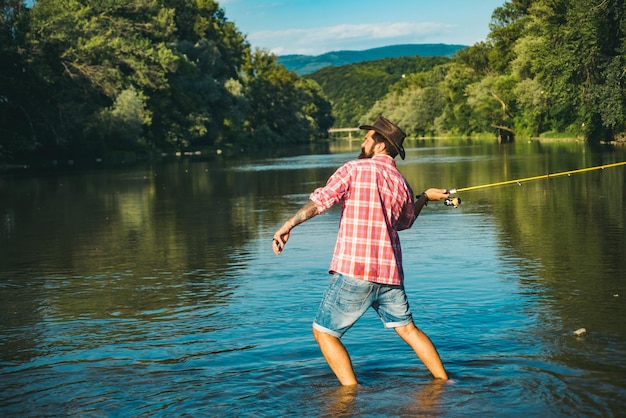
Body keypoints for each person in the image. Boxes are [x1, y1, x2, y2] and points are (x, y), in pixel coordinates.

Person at [272, 116, 450, 385]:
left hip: (356, 271)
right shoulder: (402, 183)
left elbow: (321, 202)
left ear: (380, 145)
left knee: (324, 333)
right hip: (389, 275)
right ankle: (446, 382)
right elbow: (406, 221)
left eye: (368, 138)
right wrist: (424, 197)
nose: (363, 141)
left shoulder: (354, 169)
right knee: (409, 330)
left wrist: (288, 225)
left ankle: (350, 394)